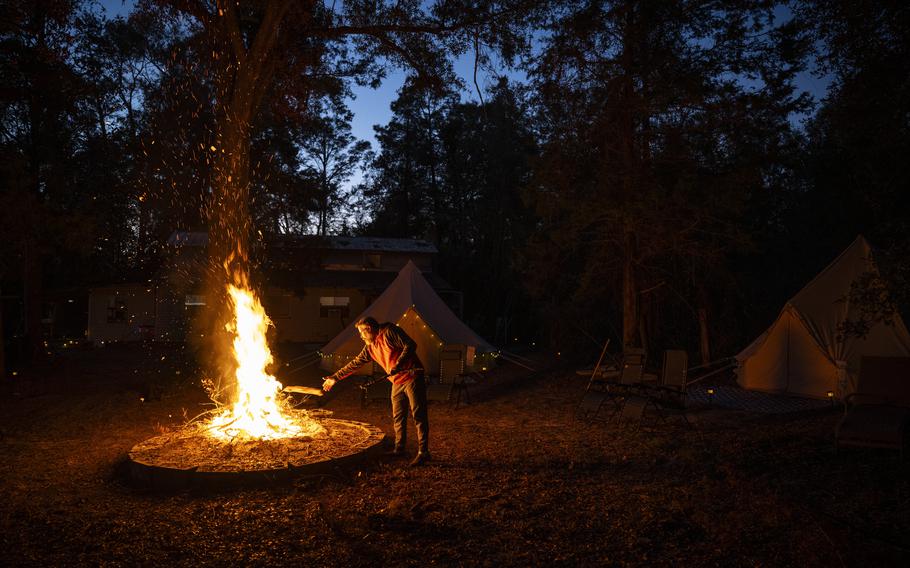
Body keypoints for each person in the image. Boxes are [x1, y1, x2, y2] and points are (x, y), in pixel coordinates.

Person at [322, 316, 431, 466]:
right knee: (398, 417)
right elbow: (355, 363)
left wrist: (399, 364)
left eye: (362, 332)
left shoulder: (389, 332)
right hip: (397, 382)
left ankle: (423, 452)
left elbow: (411, 344)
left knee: (418, 415)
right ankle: (399, 449)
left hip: (412, 376)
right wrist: (335, 377)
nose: (361, 336)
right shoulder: (370, 346)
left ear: (369, 329)